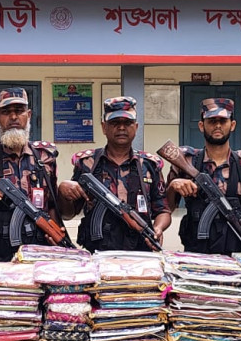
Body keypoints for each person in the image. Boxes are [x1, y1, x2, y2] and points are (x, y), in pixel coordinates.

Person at [0, 87, 62, 266]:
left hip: (39, 258)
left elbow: (51, 206)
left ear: (29, 115)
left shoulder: (45, 157)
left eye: (19, 111)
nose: (14, 117)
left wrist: (56, 234)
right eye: (6, 112)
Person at [56, 96, 171, 251]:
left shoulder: (149, 165)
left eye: (127, 123)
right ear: (104, 127)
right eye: (115, 123)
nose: (121, 128)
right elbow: (69, 214)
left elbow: (163, 210)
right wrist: (63, 192)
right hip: (97, 251)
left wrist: (158, 228)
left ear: (136, 127)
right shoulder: (87, 163)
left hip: (140, 251)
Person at [166, 97, 241, 254]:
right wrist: (172, 187)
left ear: (232, 125)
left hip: (236, 250)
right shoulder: (186, 160)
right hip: (196, 251)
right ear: (201, 125)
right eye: (212, 121)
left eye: (223, 121)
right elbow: (167, 209)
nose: (218, 125)